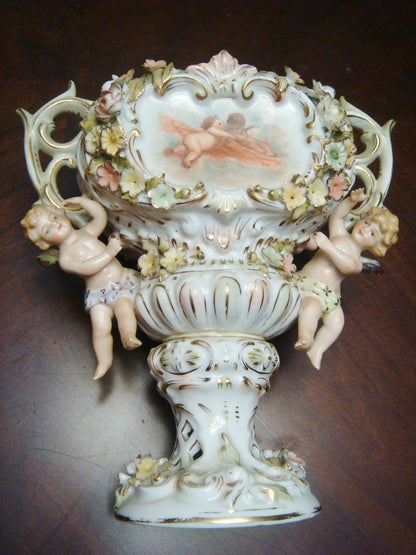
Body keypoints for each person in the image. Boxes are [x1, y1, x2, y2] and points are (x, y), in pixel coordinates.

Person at [21, 196, 141, 379]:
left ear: (61, 214)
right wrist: (109, 252)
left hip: (119, 283)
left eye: (54, 218)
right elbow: (87, 268)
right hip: (97, 295)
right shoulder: (65, 259)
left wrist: (82, 202)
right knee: (100, 328)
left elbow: (100, 216)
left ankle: (128, 336)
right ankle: (103, 362)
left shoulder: (87, 232)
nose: (56, 225)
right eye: (48, 230)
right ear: (45, 243)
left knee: (123, 309)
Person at [293, 188, 398, 369]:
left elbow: (346, 266)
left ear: (376, 246)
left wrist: (327, 246)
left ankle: (317, 349)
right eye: (367, 222)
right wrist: (352, 200)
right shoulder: (339, 234)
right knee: (312, 307)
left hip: (329, 296)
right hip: (309, 284)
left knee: (337, 321)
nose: (365, 229)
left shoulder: (357, 263)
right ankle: (306, 337)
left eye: (372, 234)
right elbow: (338, 217)